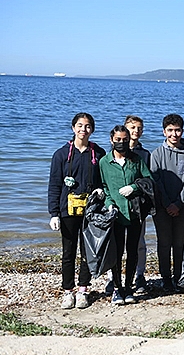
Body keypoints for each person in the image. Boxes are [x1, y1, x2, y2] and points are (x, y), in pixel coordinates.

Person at [48, 112, 106, 309]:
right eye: (80, 126)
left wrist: (101, 194)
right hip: (67, 209)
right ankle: (67, 291)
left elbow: (103, 181)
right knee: (68, 251)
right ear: (73, 128)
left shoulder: (98, 153)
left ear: (92, 129)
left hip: (90, 210)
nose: (83, 129)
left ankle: (83, 289)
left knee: (87, 251)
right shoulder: (61, 155)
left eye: (88, 126)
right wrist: (54, 213)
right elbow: (54, 185)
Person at [99, 125, 153, 305]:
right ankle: (116, 288)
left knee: (132, 250)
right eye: (118, 140)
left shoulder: (136, 160)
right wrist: (109, 205)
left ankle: (129, 287)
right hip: (115, 214)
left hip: (135, 212)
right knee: (116, 252)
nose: (121, 143)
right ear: (111, 140)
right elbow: (104, 188)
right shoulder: (104, 162)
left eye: (124, 139)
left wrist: (134, 188)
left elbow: (149, 180)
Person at [150, 114, 184, 292]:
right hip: (162, 208)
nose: (174, 134)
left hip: (182, 208)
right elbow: (156, 180)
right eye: (170, 130)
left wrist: (178, 203)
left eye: (177, 130)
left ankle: (179, 276)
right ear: (164, 132)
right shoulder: (156, 154)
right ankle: (165, 278)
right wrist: (167, 203)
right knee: (164, 243)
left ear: (182, 131)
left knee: (180, 243)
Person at [124, 115, 151, 294]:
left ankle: (140, 275)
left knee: (139, 242)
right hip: (118, 205)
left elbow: (148, 181)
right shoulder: (112, 151)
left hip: (138, 206)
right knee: (117, 244)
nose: (136, 131)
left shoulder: (144, 154)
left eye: (139, 128)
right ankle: (114, 277)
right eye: (133, 127)